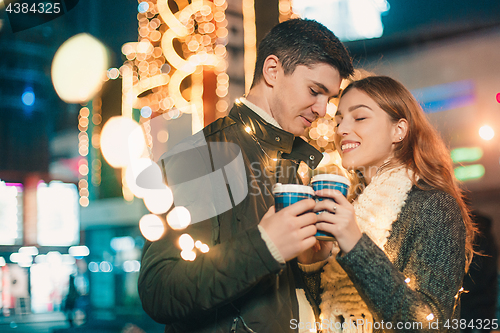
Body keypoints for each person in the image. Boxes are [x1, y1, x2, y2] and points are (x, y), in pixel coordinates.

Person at [138, 18, 354, 333]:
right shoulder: (201, 155)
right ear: (272, 70)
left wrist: (312, 261)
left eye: (329, 98)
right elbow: (158, 291)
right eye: (315, 91)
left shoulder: (289, 164)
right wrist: (265, 246)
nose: (323, 109)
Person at [299, 75, 475, 332]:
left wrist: (356, 245)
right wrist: (313, 262)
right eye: (338, 120)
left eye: (359, 117)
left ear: (399, 130)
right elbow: (326, 318)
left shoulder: (434, 206)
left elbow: (429, 325)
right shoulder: (353, 206)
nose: (341, 129)